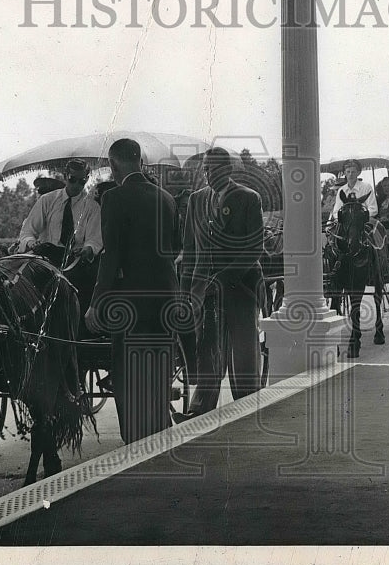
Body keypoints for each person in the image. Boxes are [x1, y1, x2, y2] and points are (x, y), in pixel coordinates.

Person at [84, 138, 181, 443]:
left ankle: (134, 448)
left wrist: (96, 302)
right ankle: (160, 438)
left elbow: (110, 257)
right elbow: (176, 247)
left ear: (113, 165)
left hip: (130, 304)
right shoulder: (167, 198)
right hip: (165, 299)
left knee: (127, 376)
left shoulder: (114, 198)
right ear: (139, 160)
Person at [180, 147, 265, 416]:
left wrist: (224, 277)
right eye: (205, 169)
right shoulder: (196, 200)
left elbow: (254, 248)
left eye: (214, 169)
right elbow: (190, 249)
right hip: (204, 289)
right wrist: (186, 291)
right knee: (207, 350)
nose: (208, 174)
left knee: (243, 351)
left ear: (228, 170)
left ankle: (247, 405)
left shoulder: (249, 198)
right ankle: (200, 410)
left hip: (241, 288)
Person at [17, 159, 102, 312]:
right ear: (65, 176)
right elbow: (28, 231)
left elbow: (94, 240)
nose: (76, 185)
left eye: (82, 181)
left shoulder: (92, 207)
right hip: (45, 260)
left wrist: (87, 249)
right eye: (72, 179)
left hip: (74, 263)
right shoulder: (47, 201)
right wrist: (31, 243)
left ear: (87, 179)